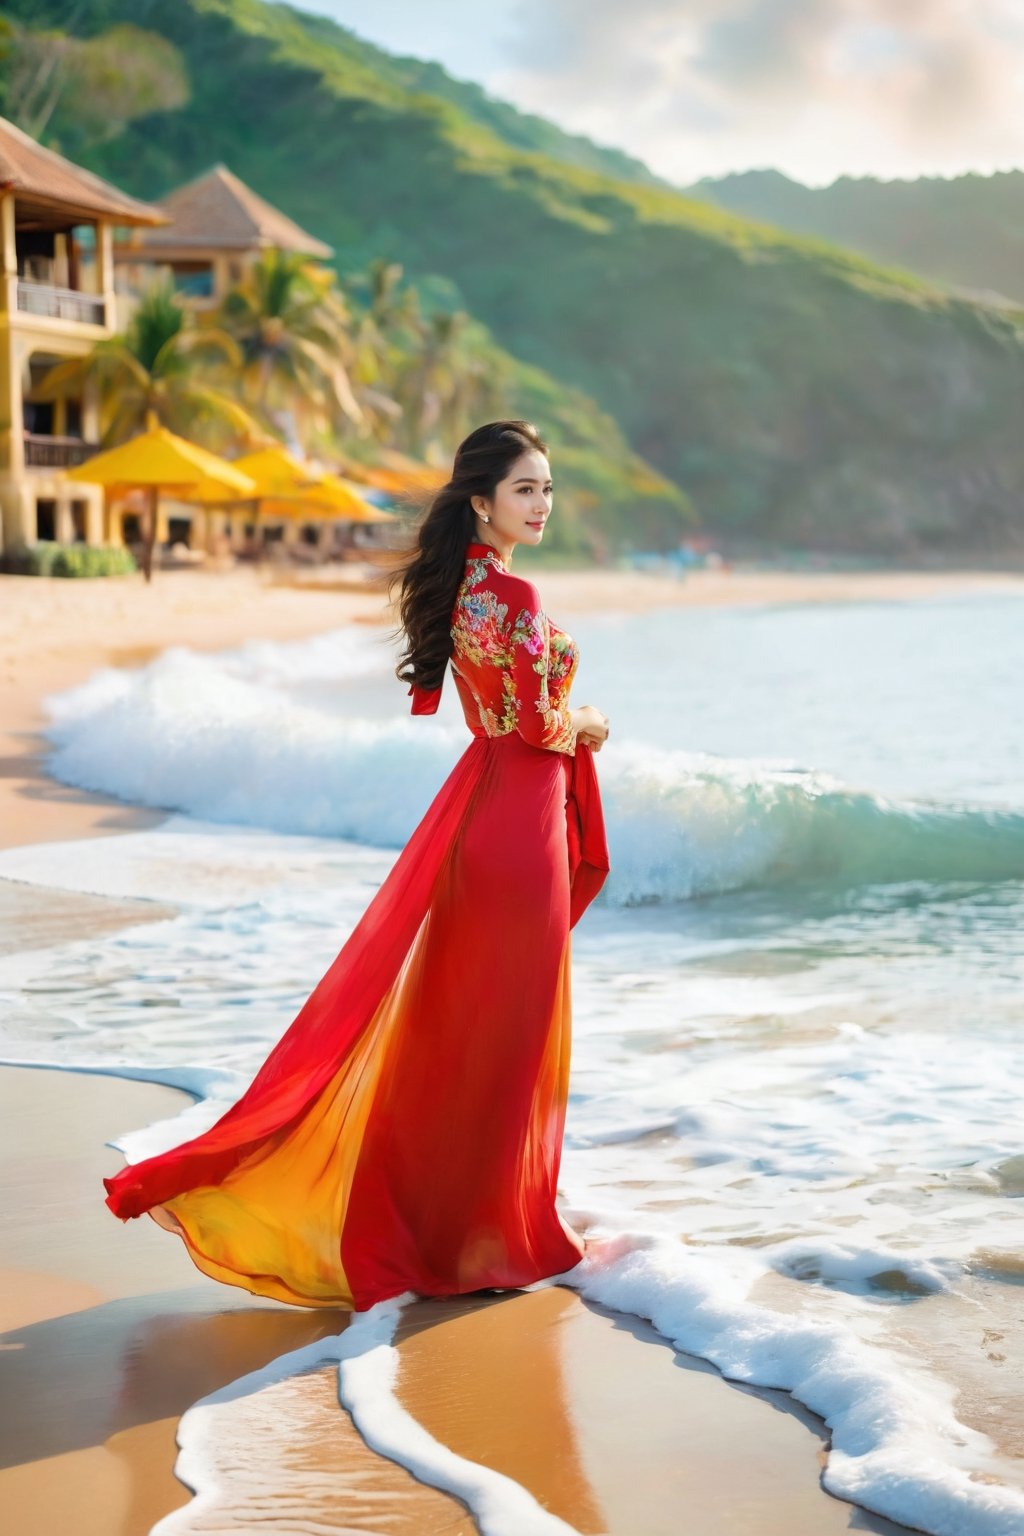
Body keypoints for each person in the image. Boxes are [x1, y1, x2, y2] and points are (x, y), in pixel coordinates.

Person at [103, 419, 611, 1312]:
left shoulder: (461, 592)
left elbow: (493, 713)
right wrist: (594, 724)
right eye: (527, 488)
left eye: (549, 488)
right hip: (519, 822)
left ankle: (461, 1220)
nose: (542, 504)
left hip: (479, 811)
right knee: (508, 1032)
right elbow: (540, 728)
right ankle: (494, 1233)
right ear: (482, 501)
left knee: (465, 1029)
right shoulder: (517, 599)